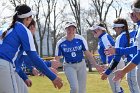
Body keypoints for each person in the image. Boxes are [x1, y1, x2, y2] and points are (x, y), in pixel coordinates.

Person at [0, 4, 63, 93]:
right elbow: (33, 58)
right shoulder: (24, 30)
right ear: (28, 19)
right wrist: (53, 77)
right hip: (4, 64)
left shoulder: (5, 26)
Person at [55, 21, 103, 93]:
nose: (71, 31)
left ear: (75, 30)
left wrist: (96, 65)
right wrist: (53, 71)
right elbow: (57, 59)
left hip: (81, 65)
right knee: (74, 88)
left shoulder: (80, 39)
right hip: (69, 66)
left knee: (82, 90)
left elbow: (87, 53)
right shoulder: (60, 42)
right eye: (69, 29)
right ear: (65, 30)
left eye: (73, 29)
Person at [103, 0, 140, 88]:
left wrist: (110, 72)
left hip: (132, 64)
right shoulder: (135, 30)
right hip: (134, 64)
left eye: (133, 13)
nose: (132, 15)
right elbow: (135, 49)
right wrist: (116, 50)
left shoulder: (121, 37)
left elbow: (117, 59)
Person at [89, 23, 124, 93]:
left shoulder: (104, 38)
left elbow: (112, 54)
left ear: (101, 30)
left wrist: (109, 66)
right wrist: (106, 64)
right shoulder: (103, 38)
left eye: (95, 30)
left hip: (114, 63)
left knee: (115, 88)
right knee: (116, 87)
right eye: (93, 30)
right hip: (114, 63)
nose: (93, 32)